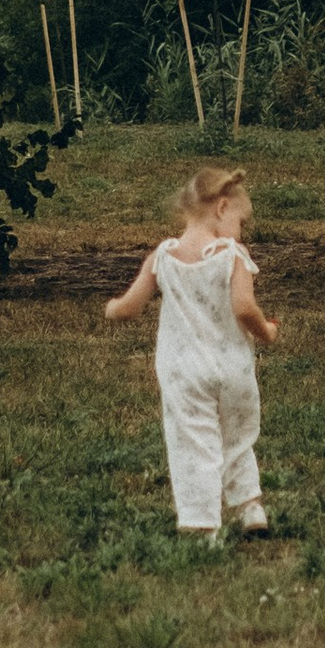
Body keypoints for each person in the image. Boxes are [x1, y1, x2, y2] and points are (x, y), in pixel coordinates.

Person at [103, 161, 280, 541]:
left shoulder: (163, 257)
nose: (241, 230)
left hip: (184, 374)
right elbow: (245, 308)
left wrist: (112, 307)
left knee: (193, 442)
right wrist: (265, 331)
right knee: (237, 436)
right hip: (232, 369)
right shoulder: (232, 255)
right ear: (221, 209)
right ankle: (251, 509)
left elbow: (130, 307)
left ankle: (202, 526)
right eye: (241, 221)